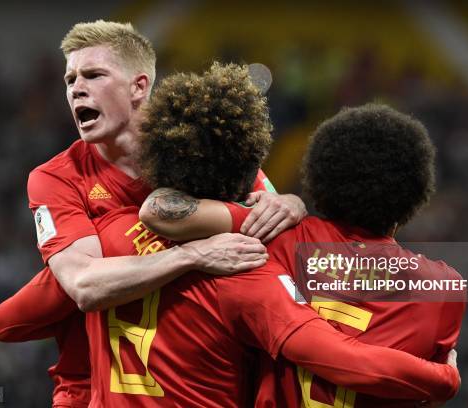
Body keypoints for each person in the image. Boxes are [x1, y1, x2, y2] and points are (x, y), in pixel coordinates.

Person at [0, 64, 460, 407]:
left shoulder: (250, 248)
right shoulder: (443, 287)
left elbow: (8, 323)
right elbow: (329, 350)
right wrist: (441, 379)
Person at [19, 19, 305, 407]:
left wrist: (291, 203)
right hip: (98, 387)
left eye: (93, 75)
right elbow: (85, 285)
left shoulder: (197, 143)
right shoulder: (56, 178)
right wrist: (191, 255)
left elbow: (270, 207)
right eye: (70, 80)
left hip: (211, 380)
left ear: (139, 86)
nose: (76, 89)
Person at [144, 104, 467, 407]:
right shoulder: (443, 289)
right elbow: (426, 397)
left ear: (321, 178)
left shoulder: (276, 239)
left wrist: (288, 202)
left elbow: (163, 212)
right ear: (414, 193)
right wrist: (444, 379)